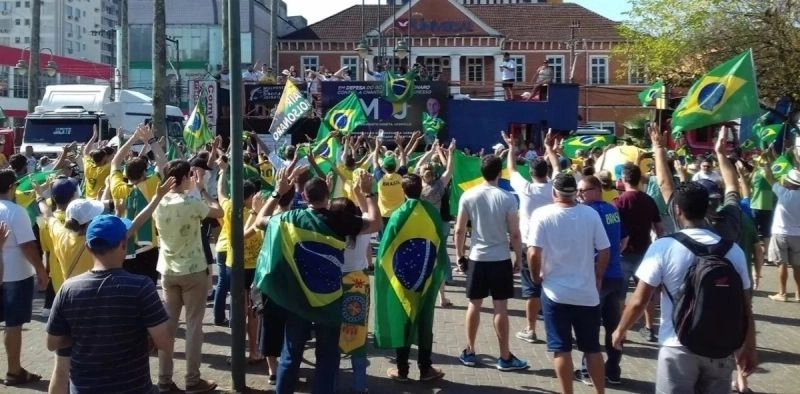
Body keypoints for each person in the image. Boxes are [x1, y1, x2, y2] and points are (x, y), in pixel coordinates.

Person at [611, 181, 756, 393]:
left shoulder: (664, 246)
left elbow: (639, 300)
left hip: (677, 344)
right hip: (720, 347)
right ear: (708, 208)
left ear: (677, 210)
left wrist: (620, 330)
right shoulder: (733, 251)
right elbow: (745, 306)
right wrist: (748, 347)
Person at [254, 170, 383, 394]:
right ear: (328, 196)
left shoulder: (289, 219)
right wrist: (368, 192)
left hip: (298, 301)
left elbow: (258, 222)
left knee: (290, 355)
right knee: (327, 359)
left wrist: (277, 192)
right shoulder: (340, 220)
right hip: (329, 299)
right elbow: (375, 223)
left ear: (304, 196)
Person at [45, 213, 173, 394]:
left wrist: (84, 338)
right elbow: (165, 343)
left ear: (88, 247)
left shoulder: (68, 289)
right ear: (123, 245)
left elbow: (52, 343)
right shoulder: (141, 287)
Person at [527, 173, 610, 393]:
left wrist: (536, 276)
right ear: (575, 192)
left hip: (555, 292)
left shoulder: (542, 215)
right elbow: (605, 249)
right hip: (587, 293)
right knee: (592, 348)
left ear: (554, 192)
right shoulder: (590, 214)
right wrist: (598, 276)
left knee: (561, 349)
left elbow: (533, 252)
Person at [454, 154, 529, 371]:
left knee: (474, 305)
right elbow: (515, 233)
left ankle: (469, 350)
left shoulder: (468, 195)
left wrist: (460, 255)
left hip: (477, 258)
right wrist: (517, 256)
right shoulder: (507, 198)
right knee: (500, 308)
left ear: (481, 171)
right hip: (500, 259)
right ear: (499, 172)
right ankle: (504, 357)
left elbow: (459, 230)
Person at [154, 159, 222, 393]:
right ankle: (192, 379)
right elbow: (218, 212)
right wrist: (199, 188)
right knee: (194, 326)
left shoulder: (159, 202)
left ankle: (164, 379)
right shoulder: (191, 203)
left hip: (167, 271)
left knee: (169, 328)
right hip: (193, 270)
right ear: (185, 178)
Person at [575, 175, 628, 385]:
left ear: (597, 190)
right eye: (578, 191)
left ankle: (588, 371)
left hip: (598, 276)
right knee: (613, 326)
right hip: (616, 275)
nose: (579, 195)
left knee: (590, 325)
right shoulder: (612, 210)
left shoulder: (590, 213)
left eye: (583, 191)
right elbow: (624, 237)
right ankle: (613, 370)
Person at [501, 131, 552, 344]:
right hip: (552, 244)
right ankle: (554, 325)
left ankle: (531, 329)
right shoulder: (554, 188)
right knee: (551, 284)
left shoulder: (526, 189)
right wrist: (550, 149)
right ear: (547, 173)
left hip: (529, 244)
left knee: (531, 289)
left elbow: (511, 168)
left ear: (530, 172)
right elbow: (557, 169)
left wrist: (511, 147)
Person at [0, 168, 49, 387]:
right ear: (12, 187)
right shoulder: (15, 211)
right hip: (16, 274)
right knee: (13, 324)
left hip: (9, 271)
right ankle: (13, 370)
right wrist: (41, 270)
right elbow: (28, 245)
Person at [110, 124, 168, 285]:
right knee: (146, 292)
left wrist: (133, 138)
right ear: (144, 174)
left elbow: (115, 162)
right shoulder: (149, 186)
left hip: (122, 248)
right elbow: (163, 165)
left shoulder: (117, 187)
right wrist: (151, 140)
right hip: (146, 249)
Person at [613, 163, 663, 342]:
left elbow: (613, 228)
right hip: (646, 252)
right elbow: (659, 228)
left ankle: (621, 329)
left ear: (624, 179)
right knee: (647, 291)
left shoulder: (618, 202)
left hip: (624, 252)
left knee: (620, 293)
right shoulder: (649, 200)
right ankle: (649, 327)